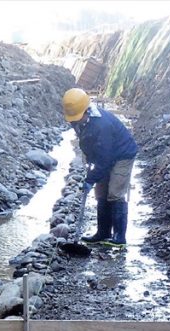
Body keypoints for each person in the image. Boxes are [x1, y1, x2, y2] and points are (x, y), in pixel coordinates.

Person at [62, 88, 138, 246]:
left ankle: (119, 237)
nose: (74, 122)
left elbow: (105, 158)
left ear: (86, 111)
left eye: (76, 118)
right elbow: (89, 143)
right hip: (105, 154)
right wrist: (89, 161)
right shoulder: (79, 121)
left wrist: (90, 179)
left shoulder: (102, 125)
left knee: (115, 193)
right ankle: (103, 233)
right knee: (101, 192)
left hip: (122, 154)